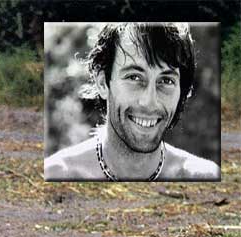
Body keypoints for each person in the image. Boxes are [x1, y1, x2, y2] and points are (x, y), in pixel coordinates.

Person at [44, 23, 220, 181]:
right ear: (103, 82)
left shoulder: (203, 176)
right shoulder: (57, 174)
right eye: (134, 77)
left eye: (166, 81)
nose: (149, 102)